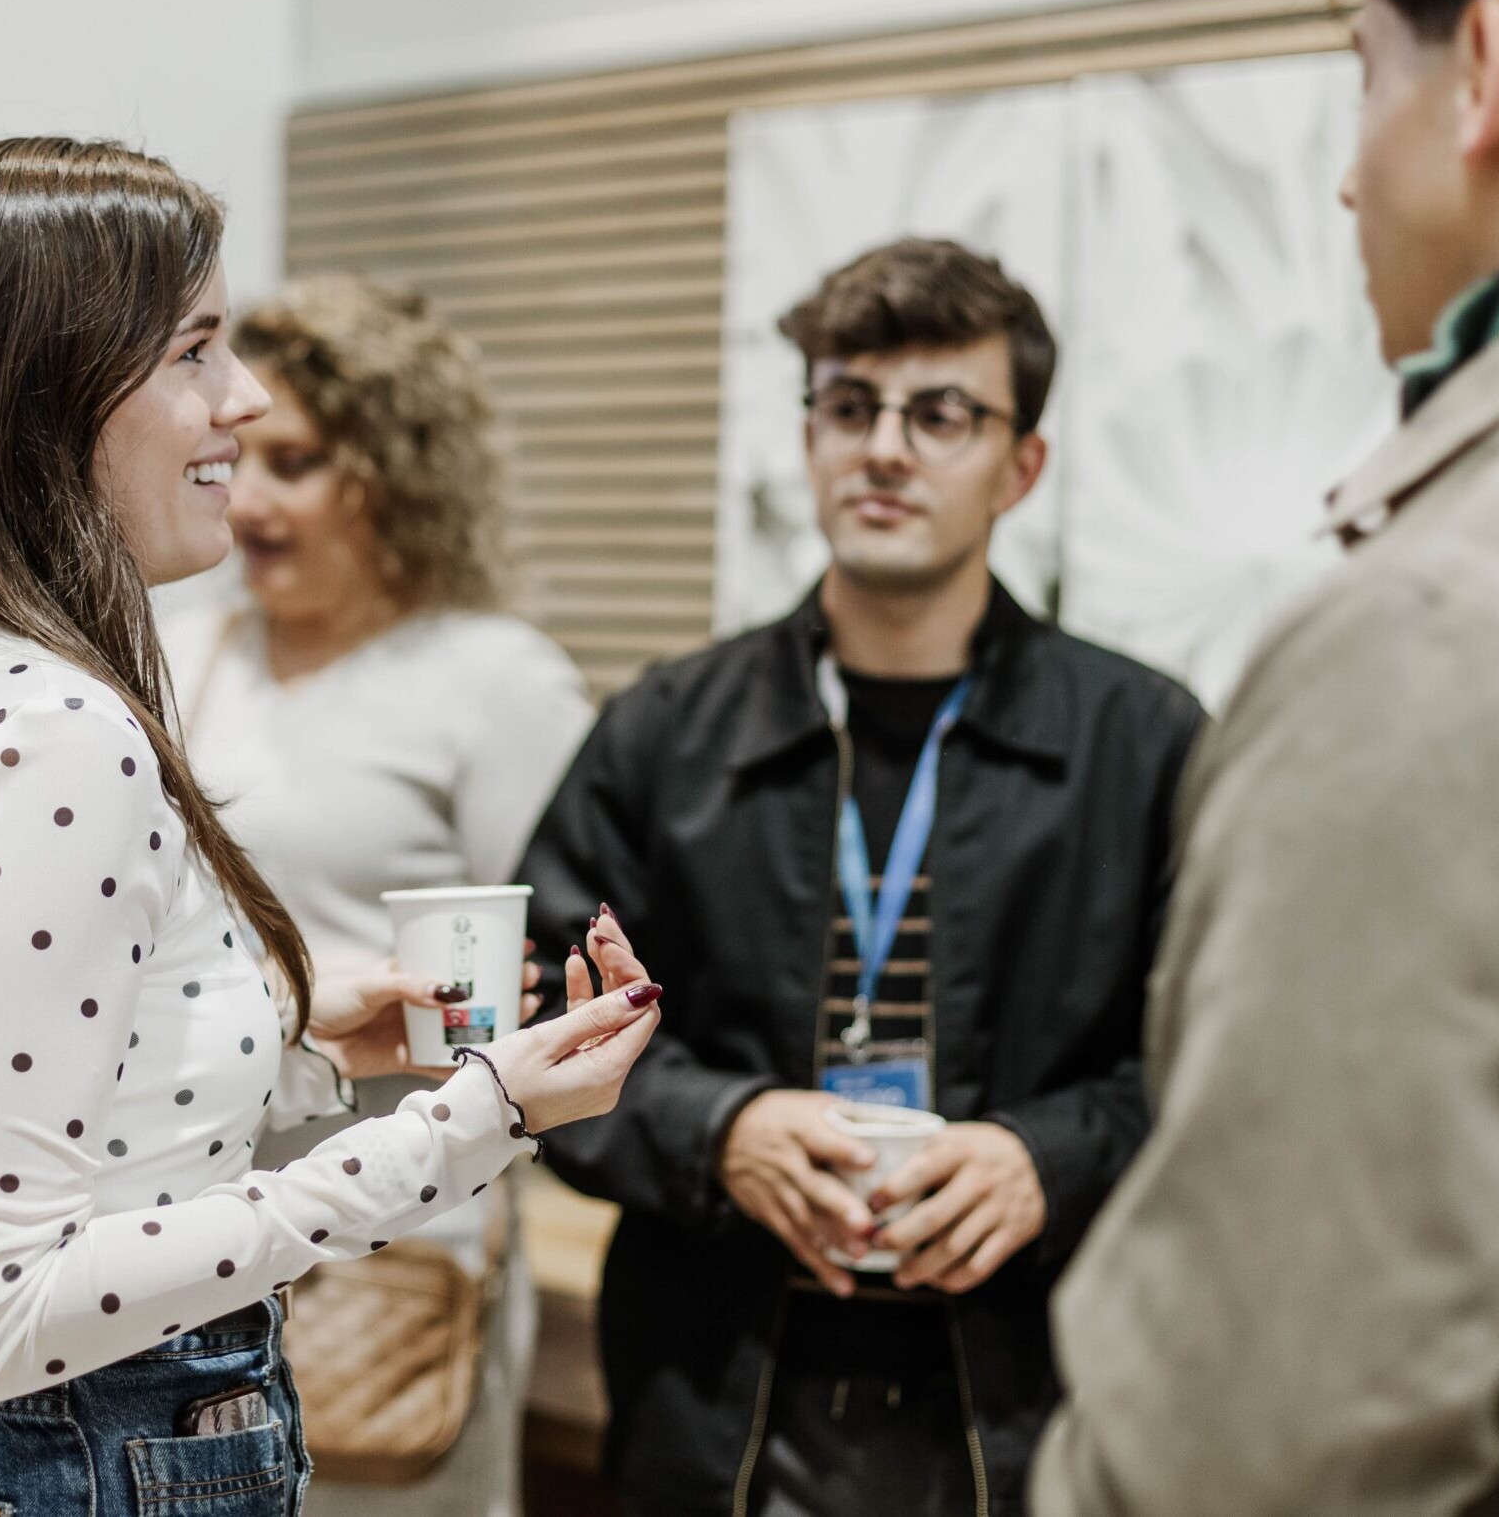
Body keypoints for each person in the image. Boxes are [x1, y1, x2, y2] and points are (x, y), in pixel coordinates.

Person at [0, 137, 663, 1517]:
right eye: (198, 348)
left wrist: (289, 1045)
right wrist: (470, 1118)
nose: (240, 402)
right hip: (89, 1445)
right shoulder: (54, 724)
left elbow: (69, 1092)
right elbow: (12, 1308)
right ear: (54, 387)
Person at [1032, 0, 1499, 1513]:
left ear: (1479, 72)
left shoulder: (1451, 633)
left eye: (1360, 79)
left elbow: (1257, 1453)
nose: (1345, 177)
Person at [517, 238, 1206, 1517]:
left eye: (939, 413)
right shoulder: (668, 733)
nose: (883, 447)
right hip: (713, 1396)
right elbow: (539, 1027)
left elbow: (1226, 1056)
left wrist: (1043, 1157)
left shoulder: (1144, 741)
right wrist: (718, 1129)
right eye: (848, 406)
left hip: (1037, 1407)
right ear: (809, 435)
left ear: (1021, 464)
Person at [160, 274, 591, 1517]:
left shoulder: (490, 681)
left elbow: (573, 962)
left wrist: (497, 1011)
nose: (250, 500)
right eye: (241, 455)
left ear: (394, 474)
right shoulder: (183, 656)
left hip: (400, 1234)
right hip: (191, 1223)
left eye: (296, 463)